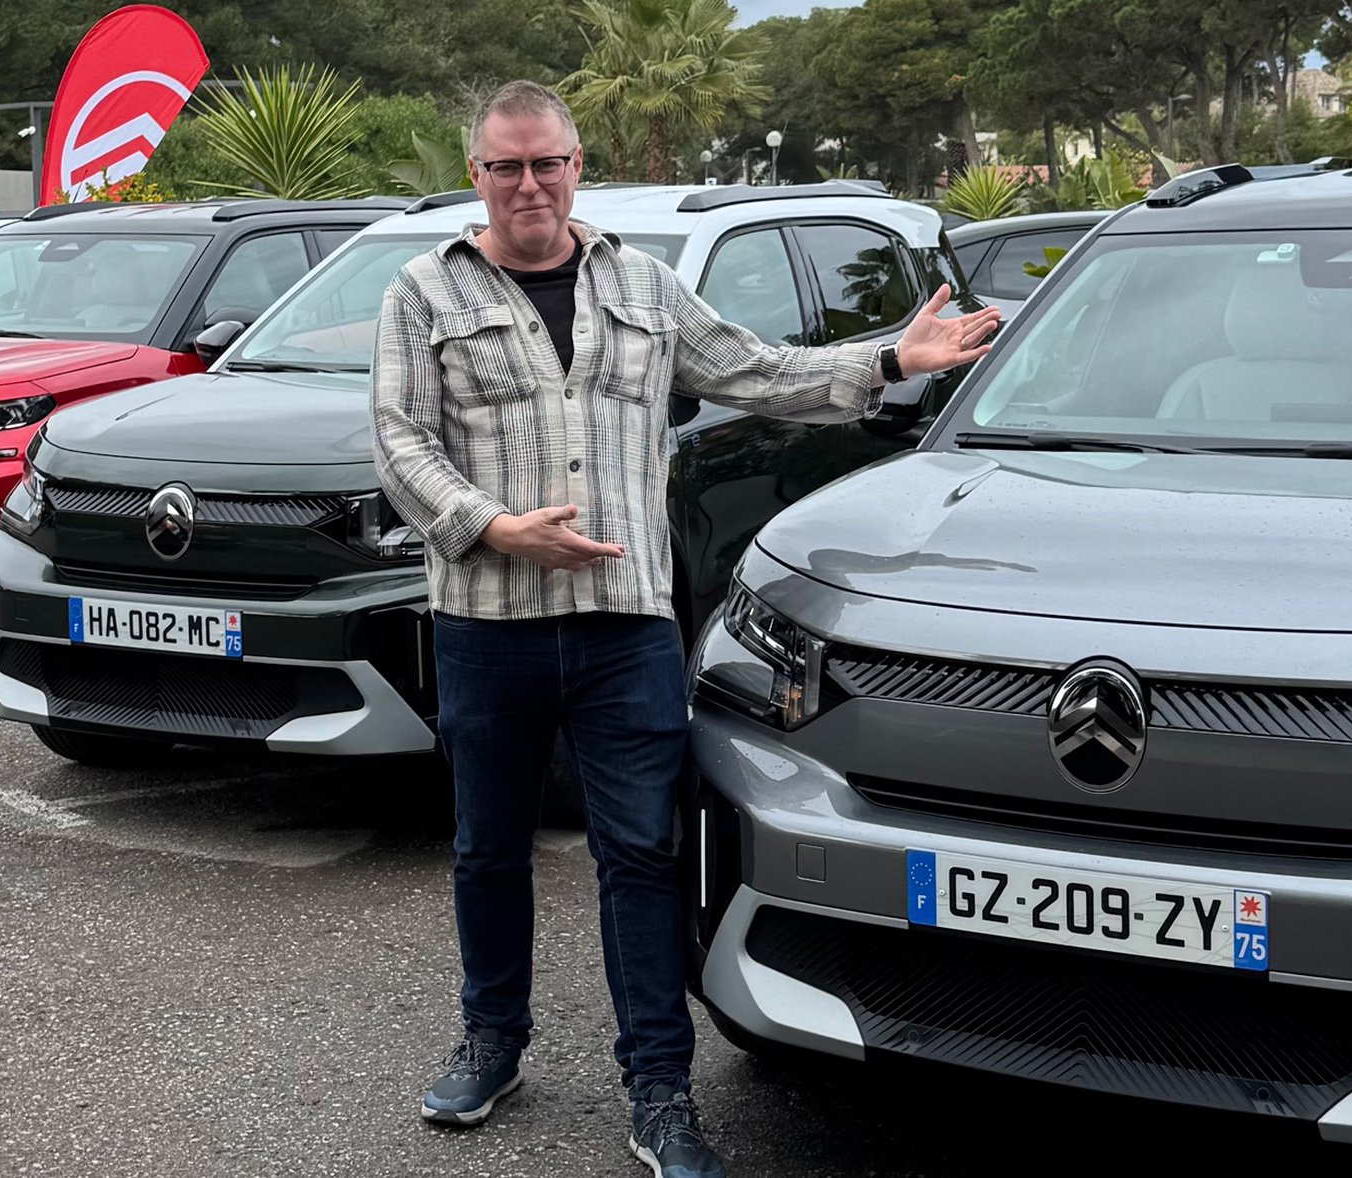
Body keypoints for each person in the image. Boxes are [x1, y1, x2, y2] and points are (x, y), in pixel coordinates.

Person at [370, 80, 1000, 1178]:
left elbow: (758, 371)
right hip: (487, 623)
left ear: (577, 166)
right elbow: (397, 440)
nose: (529, 184)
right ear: (477, 175)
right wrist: (496, 527)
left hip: (623, 628)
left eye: (548, 162)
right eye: (506, 166)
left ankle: (658, 1090)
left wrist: (891, 362)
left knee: (641, 856)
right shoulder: (423, 293)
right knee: (487, 848)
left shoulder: (643, 285)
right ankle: (492, 1039)